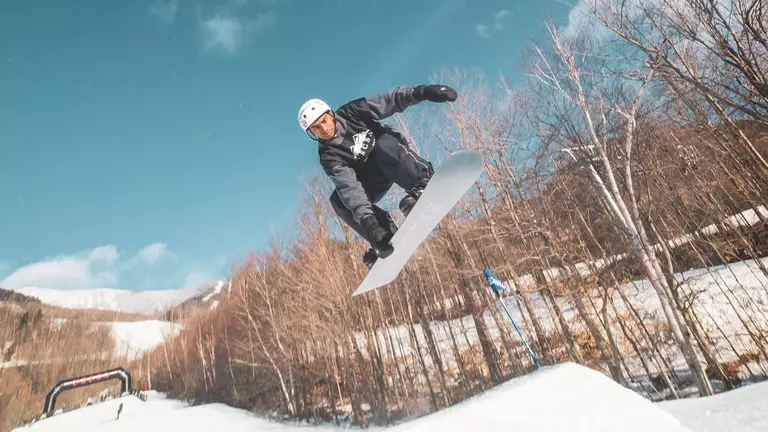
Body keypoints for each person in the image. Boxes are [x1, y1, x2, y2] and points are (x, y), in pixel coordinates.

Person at [298, 84, 458, 268]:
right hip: (372, 180)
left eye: (324, 121)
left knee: (382, 144)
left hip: (392, 158)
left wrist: (423, 92)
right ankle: (384, 236)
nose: (323, 129)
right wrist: (370, 225)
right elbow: (349, 187)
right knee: (339, 200)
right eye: (316, 129)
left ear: (331, 114)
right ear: (311, 133)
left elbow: (389, 101)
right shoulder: (328, 156)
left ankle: (422, 184)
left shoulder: (352, 112)